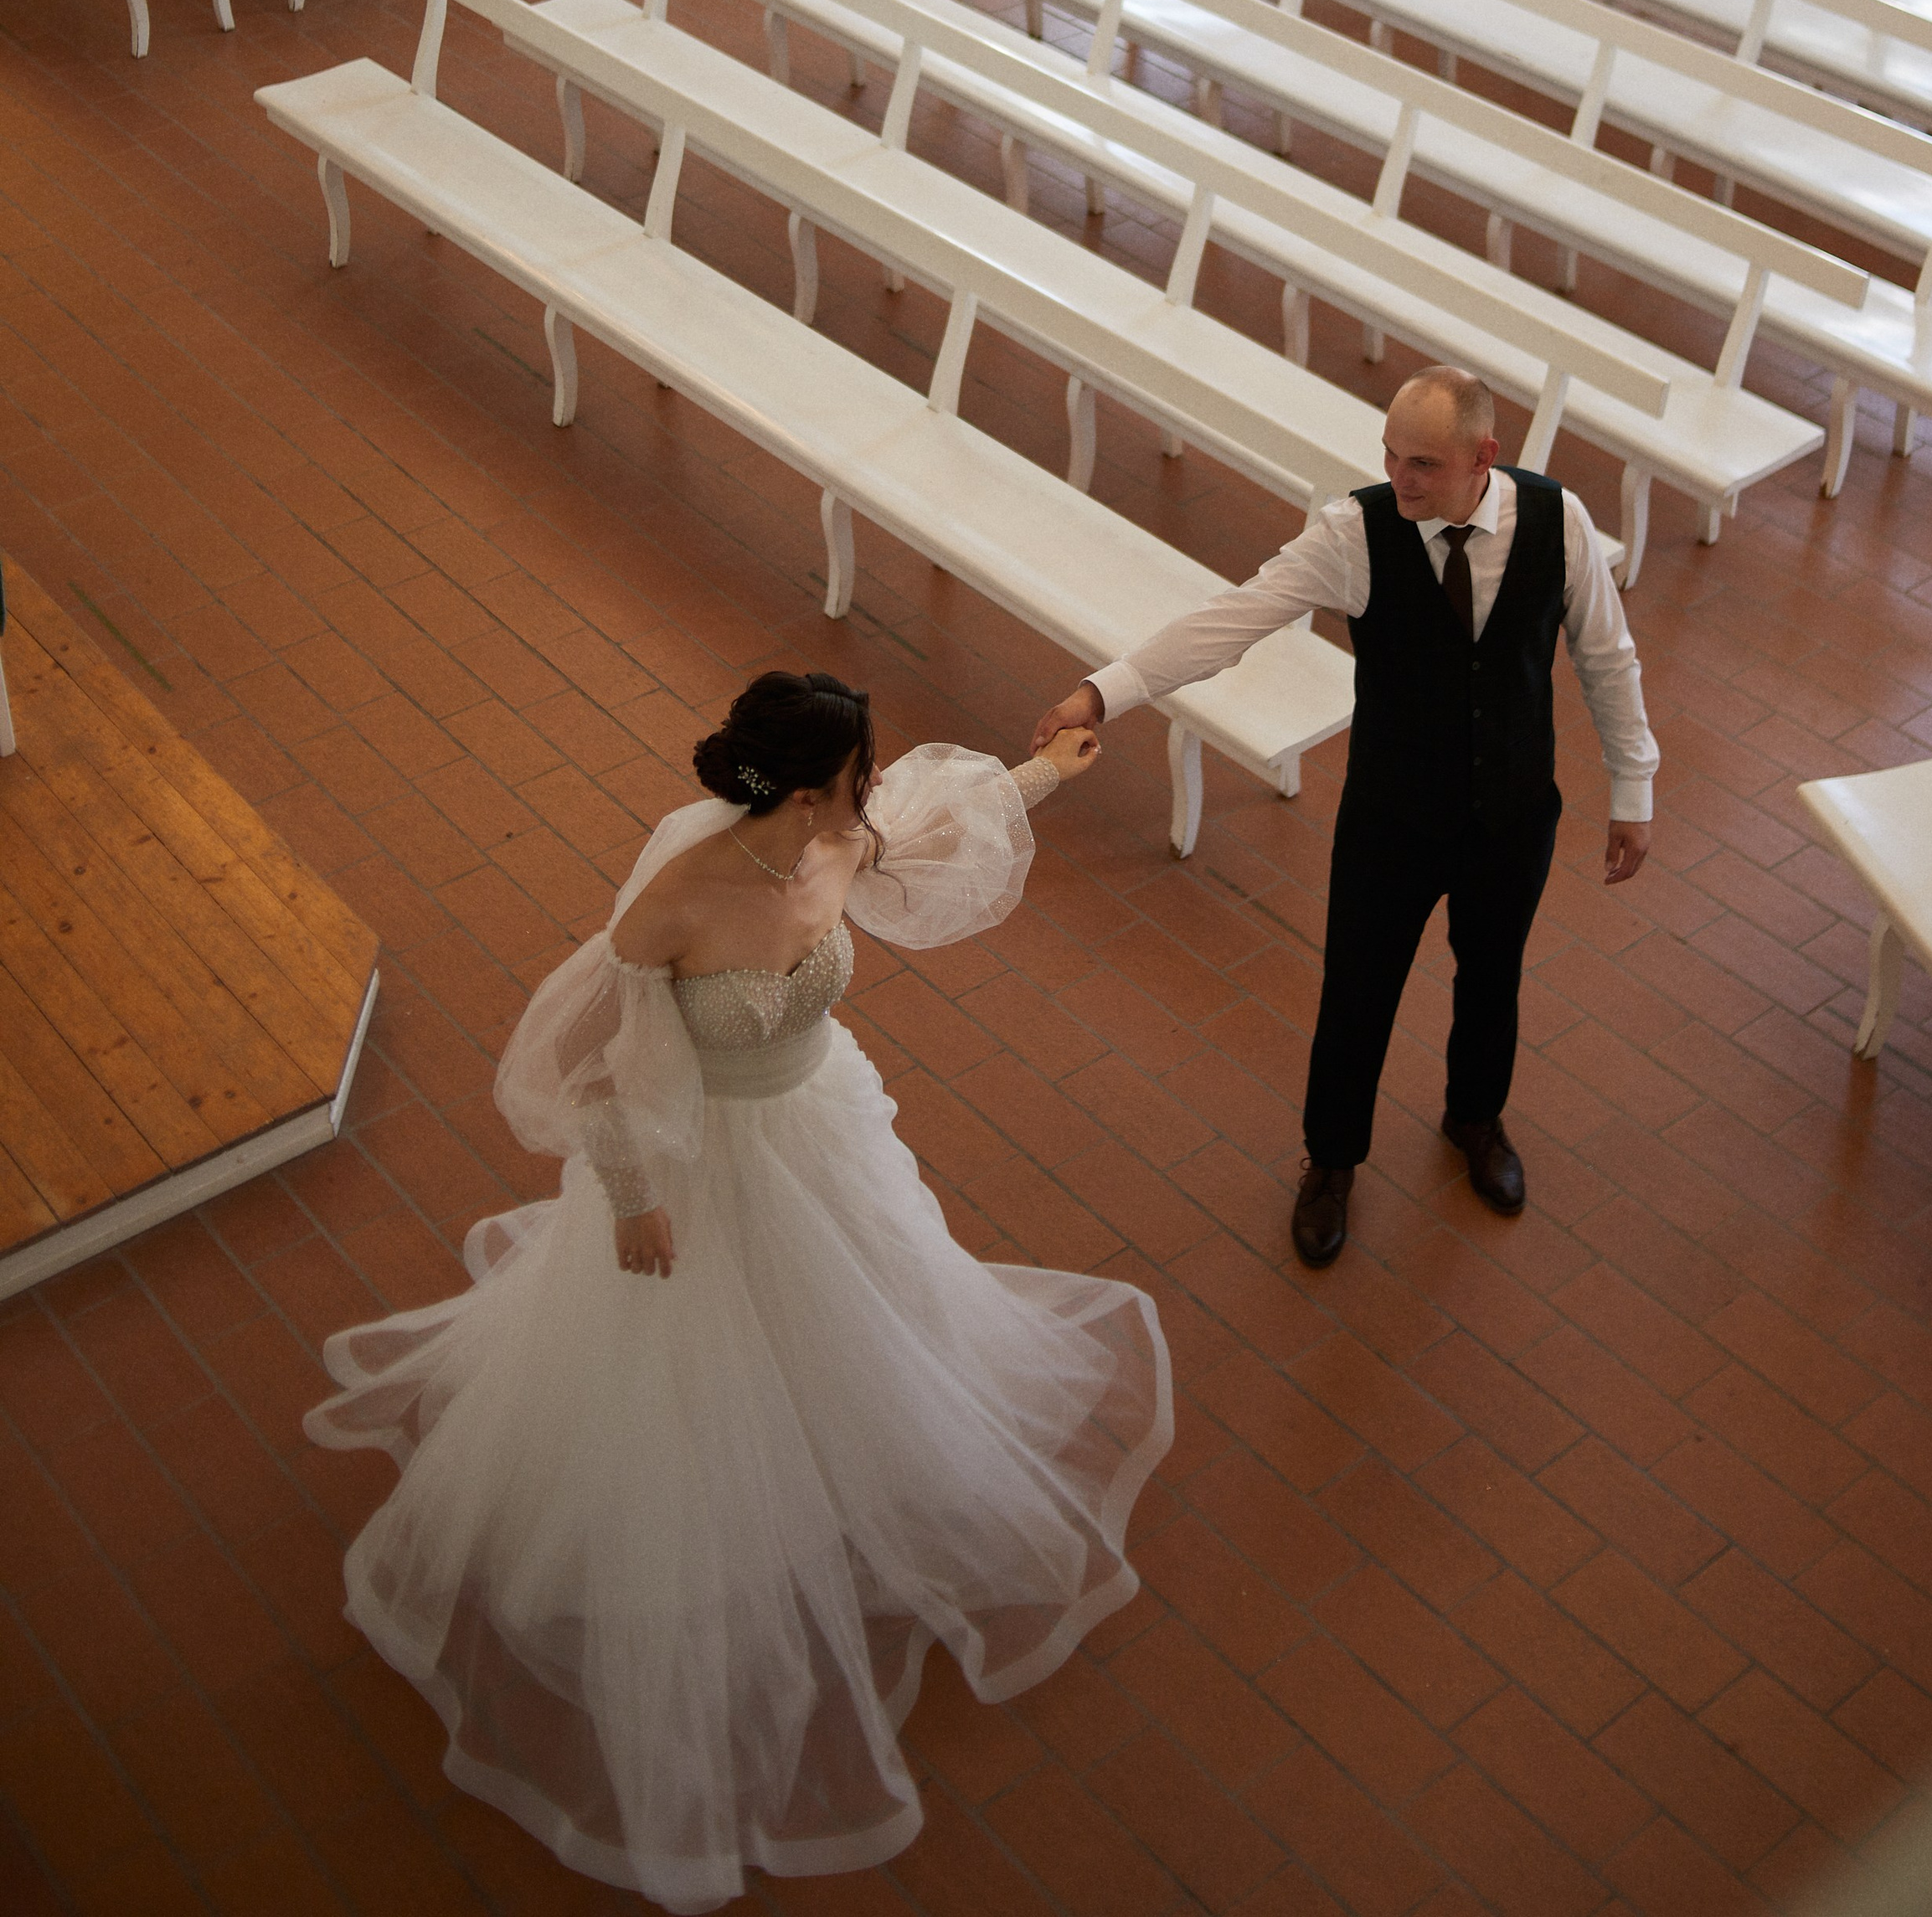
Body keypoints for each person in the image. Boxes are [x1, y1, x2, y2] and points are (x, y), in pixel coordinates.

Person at [306, 672, 1171, 1914]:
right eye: (858, 775)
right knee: (698, 1369)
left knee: (867, 1308)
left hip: (818, 1129)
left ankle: (845, 1445)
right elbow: (588, 1065)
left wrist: (1045, 777)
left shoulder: (838, 837)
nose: (870, 795)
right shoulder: (674, 900)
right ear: (812, 781)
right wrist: (634, 1198)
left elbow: (930, 831)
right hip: (698, 1164)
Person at [1033, 366, 1656, 1266]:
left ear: (1485, 457)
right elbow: (1232, 619)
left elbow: (1608, 657)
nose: (1401, 479)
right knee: (1357, 992)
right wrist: (1103, 692)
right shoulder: (1356, 534)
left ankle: (1475, 1119)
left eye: (1425, 464)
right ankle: (1330, 1162)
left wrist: (1633, 789)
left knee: (1493, 974)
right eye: (1392, 456)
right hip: (1392, 818)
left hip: (1512, 812)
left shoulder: (1559, 524)